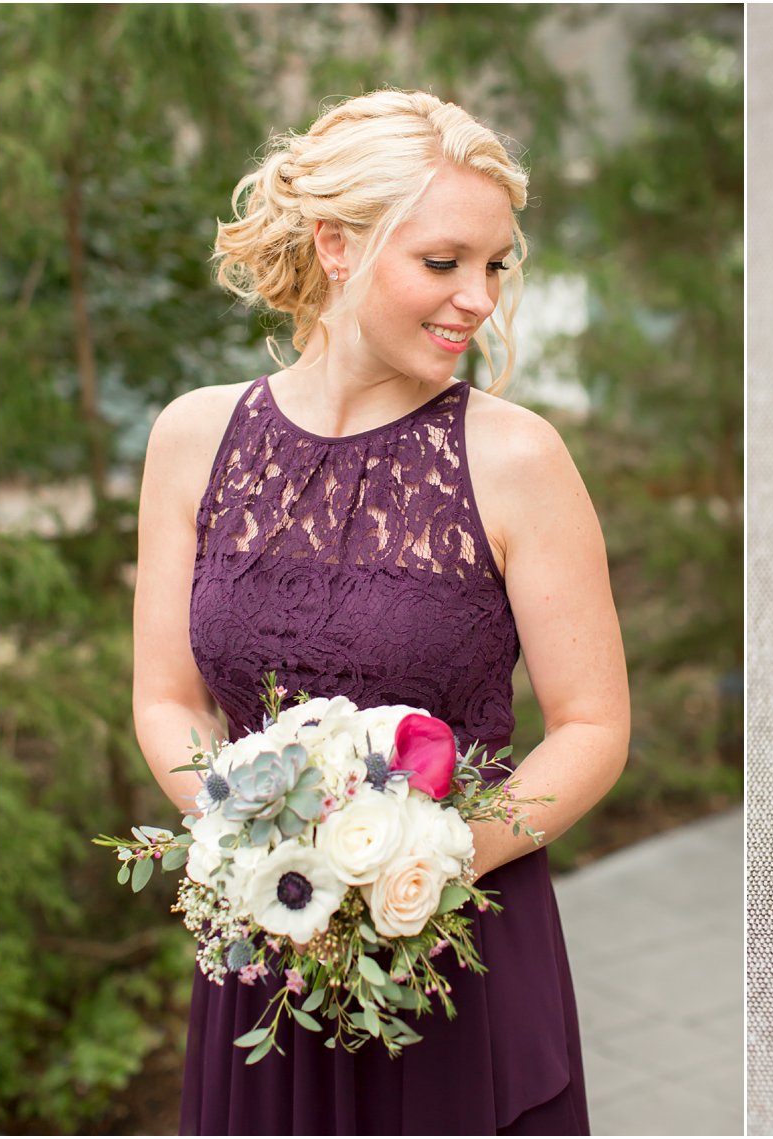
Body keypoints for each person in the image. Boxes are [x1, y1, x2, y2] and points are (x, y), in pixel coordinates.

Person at [131, 88, 629, 1135]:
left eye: (495, 265)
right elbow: (168, 699)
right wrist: (251, 854)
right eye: (444, 262)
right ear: (336, 245)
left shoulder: (516, 457)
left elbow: (590, 726)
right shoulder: (190, 438)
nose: (479, 299)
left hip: (457, 947)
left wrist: (418, 864)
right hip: (266, 947)